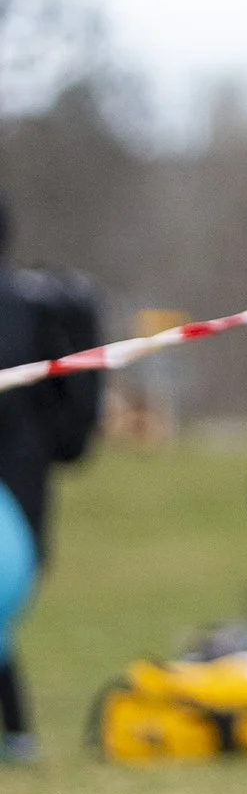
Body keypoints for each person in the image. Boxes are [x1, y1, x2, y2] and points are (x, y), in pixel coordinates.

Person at [0, 198, 102, 764]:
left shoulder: (26, 311)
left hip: (15, 497)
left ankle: (18, 735)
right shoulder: (36, 308)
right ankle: (19, 734)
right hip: (27, 493)